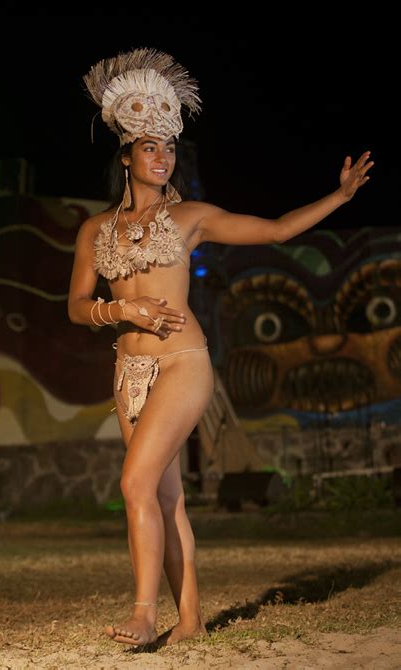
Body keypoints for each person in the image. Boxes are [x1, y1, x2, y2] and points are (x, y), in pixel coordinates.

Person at [68, 47, 373, 648]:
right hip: (128, 370)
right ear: (126, 154)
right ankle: (192, 619)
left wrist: (338, 197)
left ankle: (143, 612)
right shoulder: (94, 231)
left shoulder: (191, 219)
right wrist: (119, 310)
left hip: (183, 362)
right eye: (150, 146)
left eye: (170, 146)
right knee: (164, 494)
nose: (162, 157)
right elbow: (77, 305)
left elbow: (277, 229)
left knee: (135, 485)